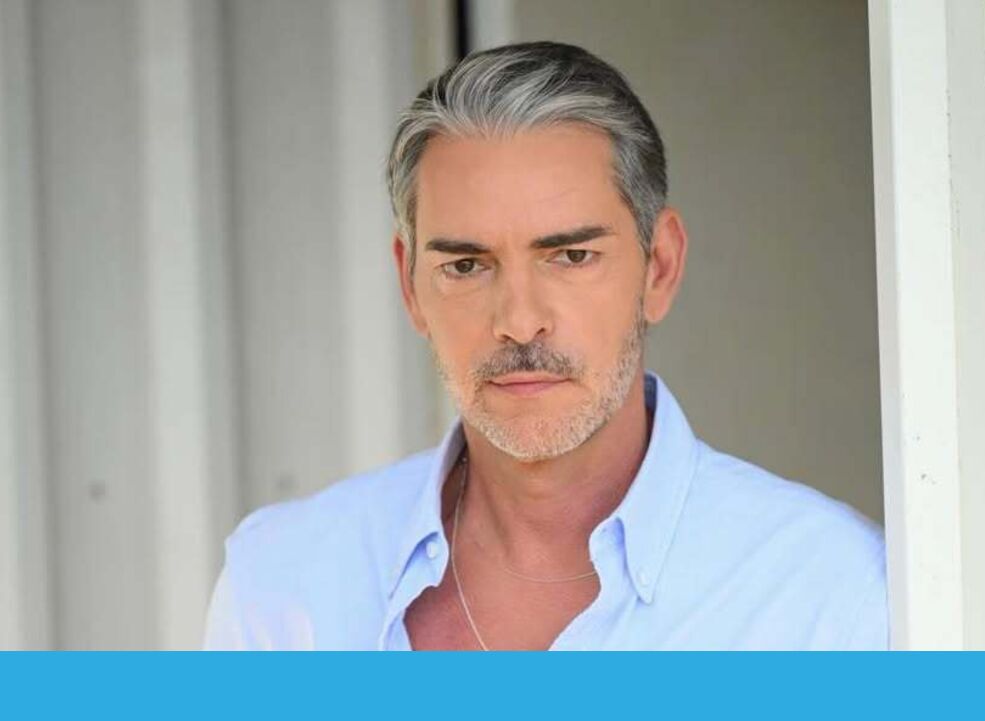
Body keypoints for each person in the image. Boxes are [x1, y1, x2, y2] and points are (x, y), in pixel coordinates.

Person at [203, 41, 886, 650]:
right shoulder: (282, 584)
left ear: (660, 268)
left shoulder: (830, 593)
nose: (520, 321)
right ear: (411, 286)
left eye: (571, 256)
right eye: (466, 265)